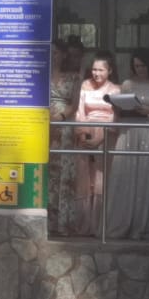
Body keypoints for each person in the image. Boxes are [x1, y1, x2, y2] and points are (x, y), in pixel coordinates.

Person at [106, 50, 149, 240]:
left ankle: (146, 225)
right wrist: (116, 106)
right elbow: (121, 107)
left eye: (143, 65)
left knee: (147, 175)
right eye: (136, 66)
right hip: (129, 131)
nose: (140, 69)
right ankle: (123, 221)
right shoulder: (127, 84)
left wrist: (148, 110)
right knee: (126, 175)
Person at [74, 50, 119, 235]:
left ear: (110, 71)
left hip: (106, 134)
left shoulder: (116, 89)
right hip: (85, 133)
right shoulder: (85, 85)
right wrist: (83, 135)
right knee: (85, 178)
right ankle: (84, 224)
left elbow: (116, 116)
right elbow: (80, 111)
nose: (96, 73)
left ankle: (100, 225)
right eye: (94, 69)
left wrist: (101, 138)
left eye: (101, 70)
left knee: (102, 178)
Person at [47, 40, 83, 236]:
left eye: (56, 52)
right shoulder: (41, 75)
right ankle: (47, 221)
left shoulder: (73, 77)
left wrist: (60, 117)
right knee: (48, 172)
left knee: (64, 173)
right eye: (50, 52)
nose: (53, 56)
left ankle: (63, 222)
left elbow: (75, 104)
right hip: (43, 126)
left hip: (64, 125)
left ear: (63, 55)